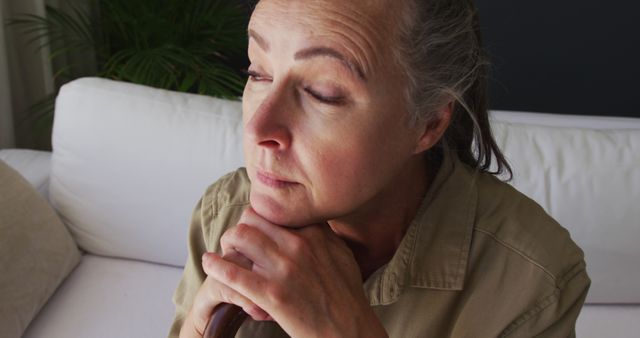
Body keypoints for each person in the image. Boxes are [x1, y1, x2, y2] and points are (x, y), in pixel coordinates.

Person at [169, 0, 590, 337]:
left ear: (426, 123)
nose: (259, 127)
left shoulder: (534, 282)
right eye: (257, 72)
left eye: (323, 93)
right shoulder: (223, 210)